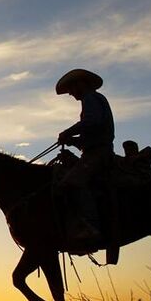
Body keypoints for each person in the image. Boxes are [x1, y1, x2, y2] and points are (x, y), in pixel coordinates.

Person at [55, 69, 118, 262]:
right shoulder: (94, 100)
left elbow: (93, 122)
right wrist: (73, 141)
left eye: (71, 89)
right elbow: (91, 133)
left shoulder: (91, 99)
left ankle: (90, 226)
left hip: (99, 153)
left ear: (80, 84)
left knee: (71, 182)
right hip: (95, 150)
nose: (71, 94)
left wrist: (68, 131)